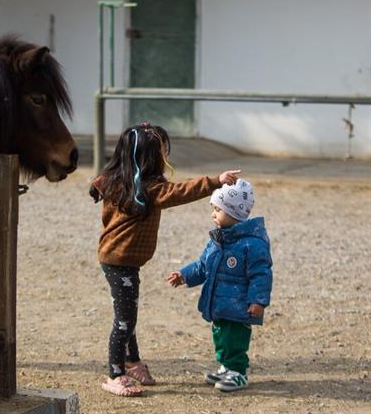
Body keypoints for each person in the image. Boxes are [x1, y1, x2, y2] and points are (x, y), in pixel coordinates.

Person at [89, 122, 241, 397]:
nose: (165, 155)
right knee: (123, 320)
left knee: (128, 313)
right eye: (161, 151)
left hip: (122, 261)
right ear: (149, 158)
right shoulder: (145, 189)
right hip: (118, 261)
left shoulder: (122, 182)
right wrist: (215, 181)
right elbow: (178, 192)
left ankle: (132, 362)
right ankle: (115, 374)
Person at [167, 178, 273, 392]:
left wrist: (258, 300)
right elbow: (203, 265)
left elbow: (261, 273)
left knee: (235, 338)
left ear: (234, 213)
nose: (213, 214)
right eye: (213, 209)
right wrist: (185, 275)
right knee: (221, 336)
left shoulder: (252, 243)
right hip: (219, 303)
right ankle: (227, 367)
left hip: (239, 304)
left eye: (218, 209)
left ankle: (239, 372)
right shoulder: (217, 240)